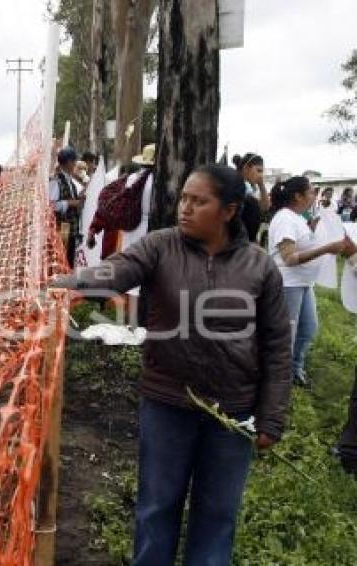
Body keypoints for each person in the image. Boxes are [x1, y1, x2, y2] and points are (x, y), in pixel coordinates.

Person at [51, 165, 293, 566]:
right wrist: (61, 285)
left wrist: (271, 416)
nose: (185, 208)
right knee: (156, 508)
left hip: (232, 412)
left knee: (217, 515)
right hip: (167, 403)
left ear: (229, 211)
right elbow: (115, 272)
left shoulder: (259, 266)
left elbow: (276, 345)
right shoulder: (160, 246)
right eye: (184, 198)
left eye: (199, 201)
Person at [267, 176, 357, 387]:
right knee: (286, 336)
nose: (314, 196)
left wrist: (314, 226)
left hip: (303, 283)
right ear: (297, 196)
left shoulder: (297, 217)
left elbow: (302, 242)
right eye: (310, 192)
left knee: (308, 328)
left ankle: (294, 369)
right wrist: (327, 248)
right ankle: (279, 381)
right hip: (288, 284)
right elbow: (289, 258)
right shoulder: (284, 219)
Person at [49, 147, 85, 265]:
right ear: (69, 162)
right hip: (62, 228)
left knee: (69, 259)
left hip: (71, 229)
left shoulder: (70, 181)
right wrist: (70, 203)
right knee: (62, 259)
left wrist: (79, 199)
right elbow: (51, 205)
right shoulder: (56, 181)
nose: (75, 164)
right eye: (74, 161)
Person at [233, 153, 270, 244]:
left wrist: (261, 185)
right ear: (246, 168)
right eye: (258, 171)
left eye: (262, 172)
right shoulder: (237, 184)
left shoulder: (248, 187)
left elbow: (264, 207)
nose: (260, 175)